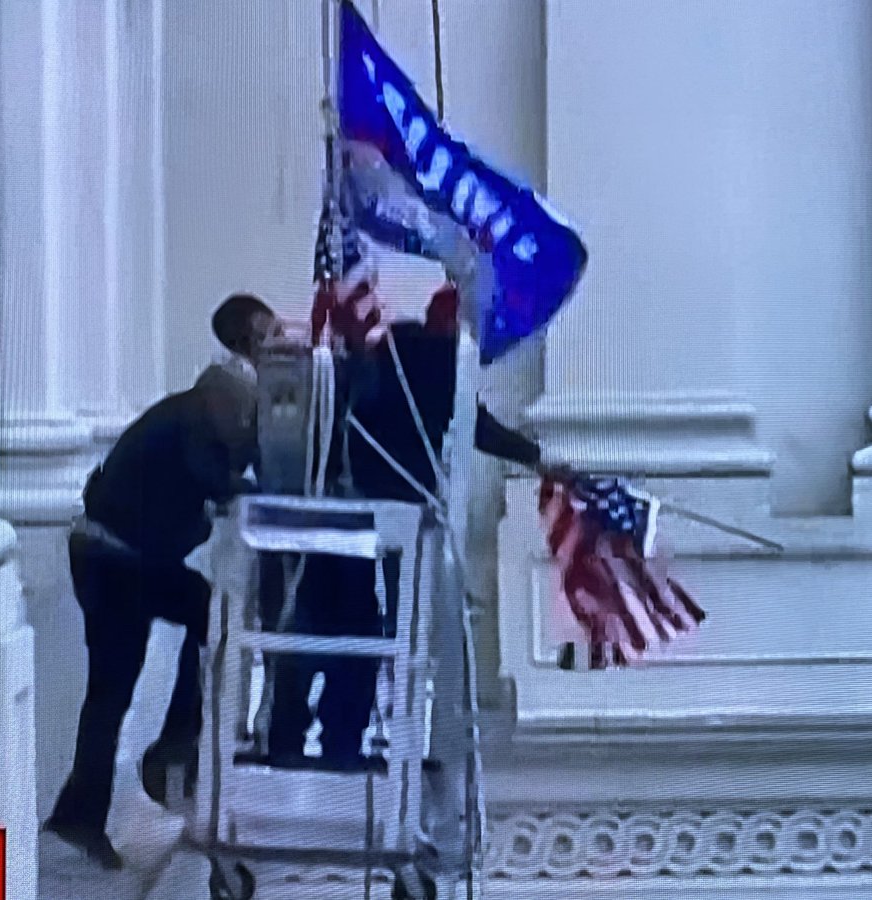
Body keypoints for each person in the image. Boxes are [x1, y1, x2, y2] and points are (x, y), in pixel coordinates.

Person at [42, 293, 280, 869]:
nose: (282, 348)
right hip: (114, 559)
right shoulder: (215, 403)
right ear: (248, 343)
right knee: (115, 687)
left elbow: (222, 472)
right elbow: (216, 478)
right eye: (272, 337)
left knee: (199, 616)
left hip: (121, 556)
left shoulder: (209, 403)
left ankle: (156, 760)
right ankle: (164, 757)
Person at [261, 283, 541, 771]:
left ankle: (286, 742)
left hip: (336, 513)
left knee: (315, 623)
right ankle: (343, 746)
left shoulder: (377, 365)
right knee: (370, 635)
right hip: (391, 525)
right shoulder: (435, 370)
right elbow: (477, 426)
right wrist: (536, 456)